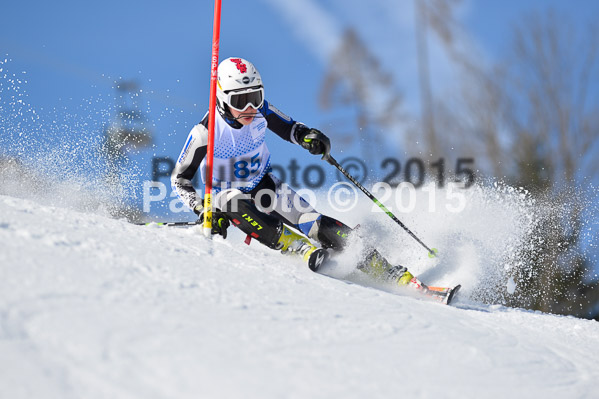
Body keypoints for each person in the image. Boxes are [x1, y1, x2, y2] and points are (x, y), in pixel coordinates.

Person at [171, 57, 417, 286]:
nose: (249, 107)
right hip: (225, 196)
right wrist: (204, 211)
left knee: (314, 223)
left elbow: (292, 129)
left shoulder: (261, 112)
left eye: (255, 97)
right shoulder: (206, 132)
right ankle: (299, 248)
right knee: (233, 202)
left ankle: (385, 269)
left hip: (263, 185)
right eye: (239, 100)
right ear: (221, 98)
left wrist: (309, 138)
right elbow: (179, 180)